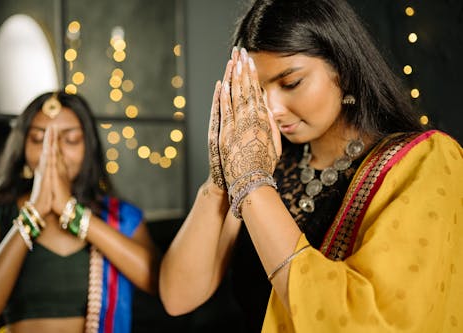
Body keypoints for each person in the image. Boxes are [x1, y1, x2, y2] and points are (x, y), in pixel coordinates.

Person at [159, 0, 463, 332]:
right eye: (257, 90)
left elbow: (369, 321)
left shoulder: (423, 161)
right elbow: (178, 297)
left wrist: (252, 182)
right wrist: (222, 176)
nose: (271, 108)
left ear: (344, 71)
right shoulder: (263, 164)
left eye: (290, 83)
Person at [0, 91, 159, 333]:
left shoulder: (119, 217)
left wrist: (70, 210)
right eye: (38, 139)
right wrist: (34, 212)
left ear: (89, 148)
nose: (52, 151)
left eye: (71, 139)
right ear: (22, 146)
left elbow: (158, 282)